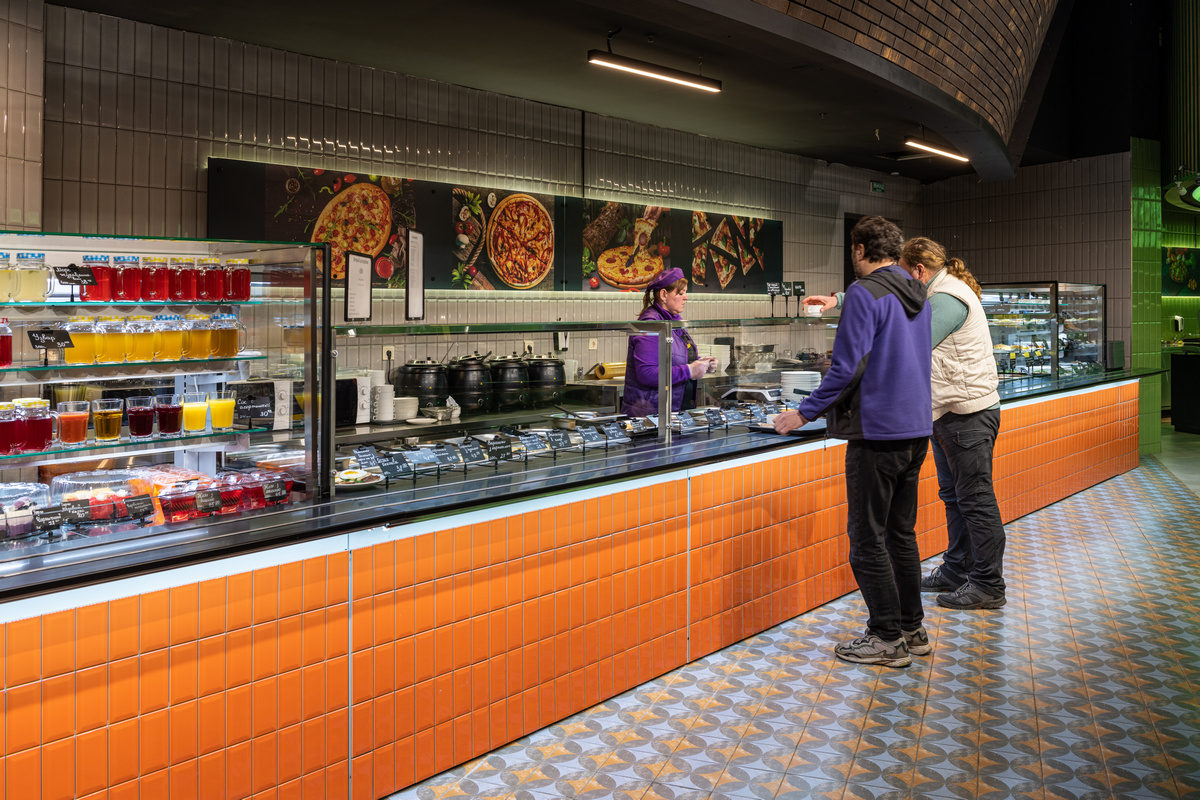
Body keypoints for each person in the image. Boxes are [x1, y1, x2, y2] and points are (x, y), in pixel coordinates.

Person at [805, 239, 1006, 610]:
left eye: (899, 271)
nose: (896, 279)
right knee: (954, 497)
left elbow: (909, 341)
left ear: (918, 271)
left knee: (975, 500)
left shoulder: (947, 299)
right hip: (946, 412)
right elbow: (890, 301)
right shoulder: (932, 292)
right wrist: (839, 300)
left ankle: (988, 584)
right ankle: (957, 568)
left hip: (967, 414)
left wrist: (857, 360)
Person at [775, 216, 932, 668]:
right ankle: (912, 628)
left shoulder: (865, 292)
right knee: (900, 535)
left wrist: (803, 412)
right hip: (916, 427)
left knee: (866, 540)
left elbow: (847, 368)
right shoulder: (916, 291)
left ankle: (886, 637)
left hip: (877, 431)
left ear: (860, 250)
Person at [621, 267, 715, 417]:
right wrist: (690, 370)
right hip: (651, 415)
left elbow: (673, 358)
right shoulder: (651, 324)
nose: (686, 298)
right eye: (681, 293)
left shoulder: (673, 322)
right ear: (664, 294)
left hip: (673, 411)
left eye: (685, 293)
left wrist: (701, 363)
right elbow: (647, 373)